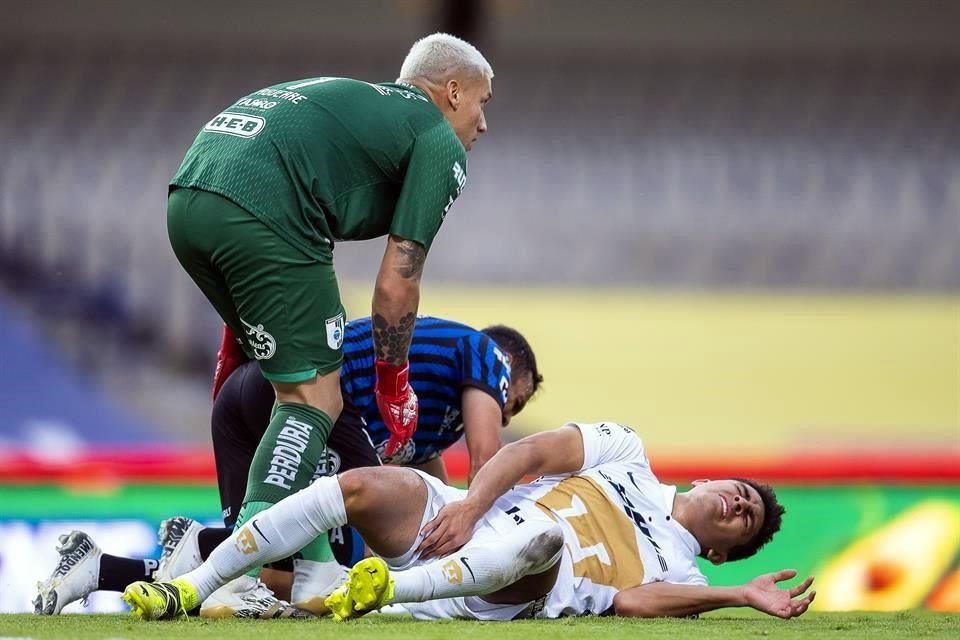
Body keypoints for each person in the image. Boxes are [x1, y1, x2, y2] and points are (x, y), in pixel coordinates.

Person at [162, 30, 493, 608]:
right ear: (455, 92)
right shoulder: (436, 138)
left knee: (299, 389)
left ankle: (315, 569)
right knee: (316, 401)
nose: (483, 125)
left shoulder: (368, 110)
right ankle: (230, 575)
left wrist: (237, 351)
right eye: (484, 103)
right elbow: (398, 282)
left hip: (190, 199)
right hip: (263, 211)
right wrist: (395, 384)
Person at [34, 318, 542, 618]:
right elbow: (485, 460)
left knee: (258, 572)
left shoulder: (431, 411)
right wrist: (500, 550)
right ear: (511, 372)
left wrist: (442, 558)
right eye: (512, 402)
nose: (506, 410)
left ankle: (98, 568)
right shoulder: (487, 355)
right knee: (325, 583)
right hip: (313, 402)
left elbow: (427, 498)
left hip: (249, 395)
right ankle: (195, 545)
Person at [123, 422, 815, 621]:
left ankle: (381, 591)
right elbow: (529, 451)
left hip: (516, 588)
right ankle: (189, 586)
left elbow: (631, 601)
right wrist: (470, 505)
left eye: (746, 518)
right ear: (712, 478)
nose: (739, 504)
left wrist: (739, 597)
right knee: (359, 485)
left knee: (542, 542)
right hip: (466, 527)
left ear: (727, 554)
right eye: (742, 492)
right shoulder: (628, 453)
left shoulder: (688, 575)